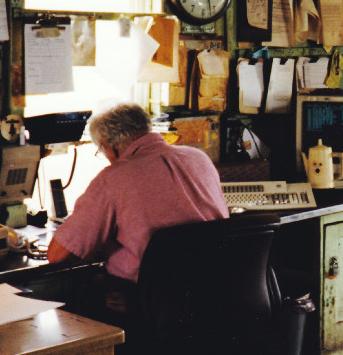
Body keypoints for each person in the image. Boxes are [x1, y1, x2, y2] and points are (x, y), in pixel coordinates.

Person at [47, 102, 229, 285]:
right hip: (213, 286)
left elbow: (58, 255)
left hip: (150, 295)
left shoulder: (112, 179)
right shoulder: (199, 158)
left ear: (107, 146)